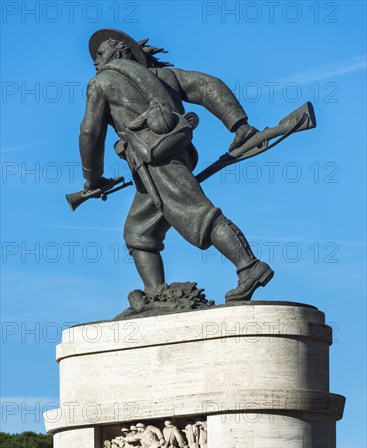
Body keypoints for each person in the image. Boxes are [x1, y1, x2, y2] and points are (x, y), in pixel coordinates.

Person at [79, 29, 274, 303]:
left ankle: (250, 267)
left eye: (100, 53)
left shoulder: (101, 82)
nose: (95, 60)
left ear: (121, 51)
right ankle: (156, 293)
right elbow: (207, 85)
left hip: (156, 162)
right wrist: (238, 124)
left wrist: (92, 179)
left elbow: (90, 133)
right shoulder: (164, 78)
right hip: (162, 163)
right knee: (139, 231)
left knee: (197, 213)